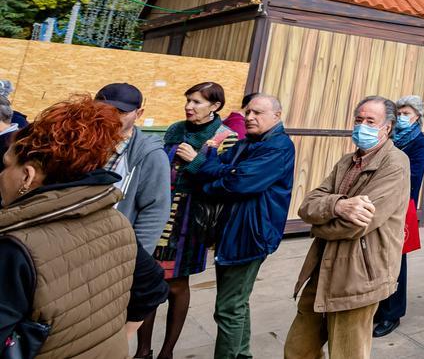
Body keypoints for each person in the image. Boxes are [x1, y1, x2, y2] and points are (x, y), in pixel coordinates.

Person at [0, 96, 137, 358]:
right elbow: (150, 290)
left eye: (6, 166)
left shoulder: (15, 248)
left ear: (27, 177)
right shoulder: (117, 221)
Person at [285, 96, 409, 359]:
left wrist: (318, 226)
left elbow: (356, 226)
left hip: (359, 275)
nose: (362, 125)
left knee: (347, 353)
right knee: (298, 349)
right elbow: (307, 206)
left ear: (386, 127)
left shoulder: (395, 163)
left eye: (370, 121)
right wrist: (338, 205)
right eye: (359, 120)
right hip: (323, 267)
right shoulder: (346, 162)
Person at [137, 81, 239, 359]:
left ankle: (167, 351)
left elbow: (225, 181)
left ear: (215, 106)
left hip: (192, 220)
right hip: (158, 213)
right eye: (188, 100)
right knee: (147, 280)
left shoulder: (225, 137)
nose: (189, 107)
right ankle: (142, 350)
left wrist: (195, 162)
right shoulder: (175, 129)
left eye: (197, 102)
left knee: (177, 284)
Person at [191, 94, 295, 359]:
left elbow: (239, 183)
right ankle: (242, 355)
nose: (250, 117)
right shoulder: (247, 143)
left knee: (228, 308)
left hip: (251, 234)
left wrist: (211, 182)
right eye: (248, 112)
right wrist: (214, 161)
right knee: (236, 303)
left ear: (276, 116)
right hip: (234, 232)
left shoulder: (279, 146)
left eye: (258, 113)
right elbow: (217, 168)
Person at [373, 95, 424, 338]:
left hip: (400, 206)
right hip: (378, 203)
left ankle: (392, 313)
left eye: (407, 113)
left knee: (396, 259)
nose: (402, 117)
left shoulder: (418, 143)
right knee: (376, 256)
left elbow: (413, 178)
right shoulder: (389, 136)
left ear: (417, 116)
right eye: (400, 112)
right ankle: (376, 305)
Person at [94, 83, 172, 254]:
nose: (111, 118)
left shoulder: (150, 155)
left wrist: (136, 258)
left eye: (121, 112)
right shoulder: (80, 144)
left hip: (112, 250)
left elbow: (155, 211)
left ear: (139, 113)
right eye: (104, 110)